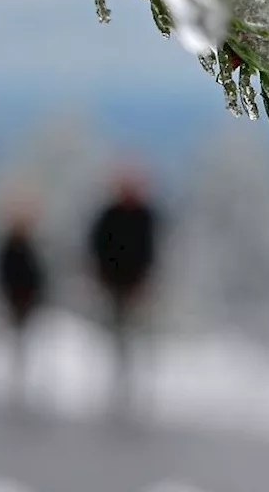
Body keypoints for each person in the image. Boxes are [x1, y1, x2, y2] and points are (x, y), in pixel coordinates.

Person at [88, 166, 160, 421]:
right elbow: (97, 246)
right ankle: (117, 380)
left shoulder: (145, 216)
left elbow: (151, 249)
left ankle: (135, 383)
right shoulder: (110, 215)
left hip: (135, 285)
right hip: (114, 284)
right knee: (117, 333)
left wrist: (145, 279)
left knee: (136, 333)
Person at [0, 210, 47, 405]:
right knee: (12, 339)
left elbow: (36, 275)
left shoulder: (26, 247)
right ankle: (7, 376)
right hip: (13, 299)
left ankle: (18, 376)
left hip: (25, 300)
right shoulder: (11, 247)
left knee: (21, 339)